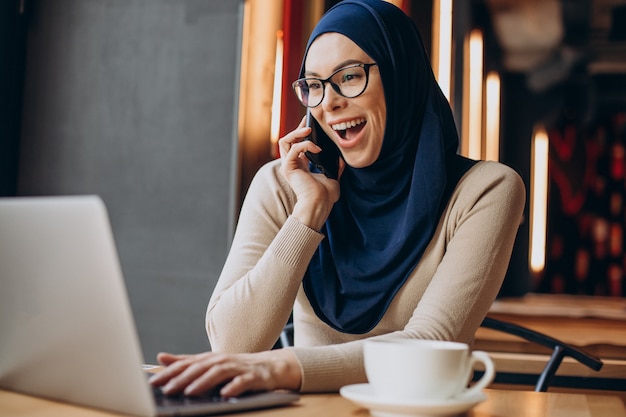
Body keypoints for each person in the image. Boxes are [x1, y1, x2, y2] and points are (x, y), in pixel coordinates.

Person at [149, 0, 525, 397]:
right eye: (313, 85)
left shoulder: (485, 190)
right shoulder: (284, 185)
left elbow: (429, 343)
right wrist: (308, 213)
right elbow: (232, 345)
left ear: (400, 76)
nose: (328, 103)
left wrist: (283, 366)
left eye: (349, 77)